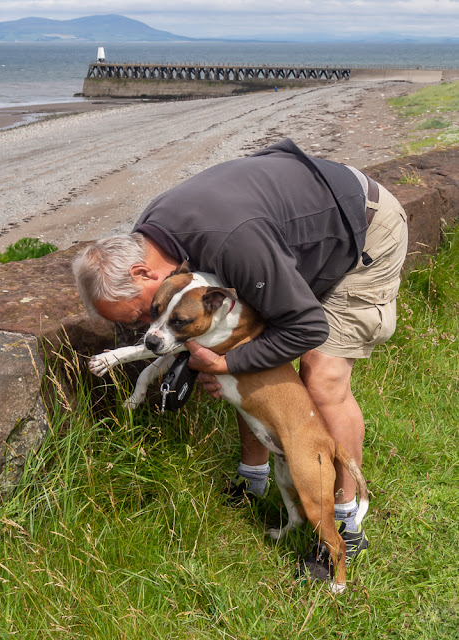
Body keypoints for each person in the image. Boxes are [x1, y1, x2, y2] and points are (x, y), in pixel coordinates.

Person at [73, 138, 408, 581]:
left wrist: (226, 366)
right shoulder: (152, 242)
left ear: (144, 274)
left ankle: (345, 524)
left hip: (361, 232)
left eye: (140, 312)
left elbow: (308, 328)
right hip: (287, 245)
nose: (144, 327)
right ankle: (253, 480)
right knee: (239, 351)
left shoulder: (230, 243)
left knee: (321, 375)